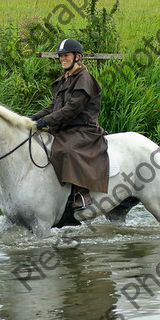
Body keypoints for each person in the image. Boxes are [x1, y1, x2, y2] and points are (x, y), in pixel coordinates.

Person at [29, 38, 109, 210]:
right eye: (61, 56)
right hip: (64, 128)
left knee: (66, 150)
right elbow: (54, 106)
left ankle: (83, 193)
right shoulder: (65, 79)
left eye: (66, 55)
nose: (62, 59)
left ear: (77, 57)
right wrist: (33, 118)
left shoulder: (84, 79)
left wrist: (45, 122)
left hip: (83, 129)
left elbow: (72, 109)